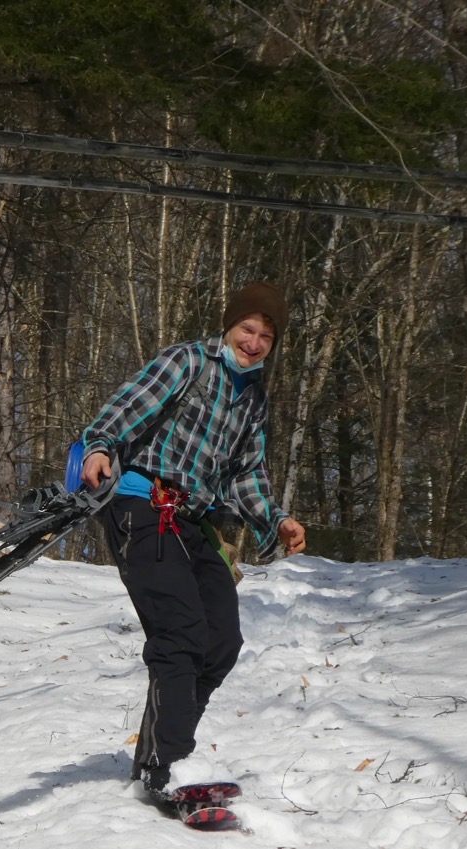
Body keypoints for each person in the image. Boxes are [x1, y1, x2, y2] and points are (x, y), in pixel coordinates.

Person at [79, 282, 306, 794]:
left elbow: (247, 473)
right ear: (230, 325)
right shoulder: (187, 362)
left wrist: (277, 520)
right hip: (144, 505)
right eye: (248, 328)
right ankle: (169, 767)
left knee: (221, 642)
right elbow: (127, 407)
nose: (254, 341)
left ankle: (157, 752)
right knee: (179, 633)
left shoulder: (254, 399)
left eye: (266, 335)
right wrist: (98, 447)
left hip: (194, 520)